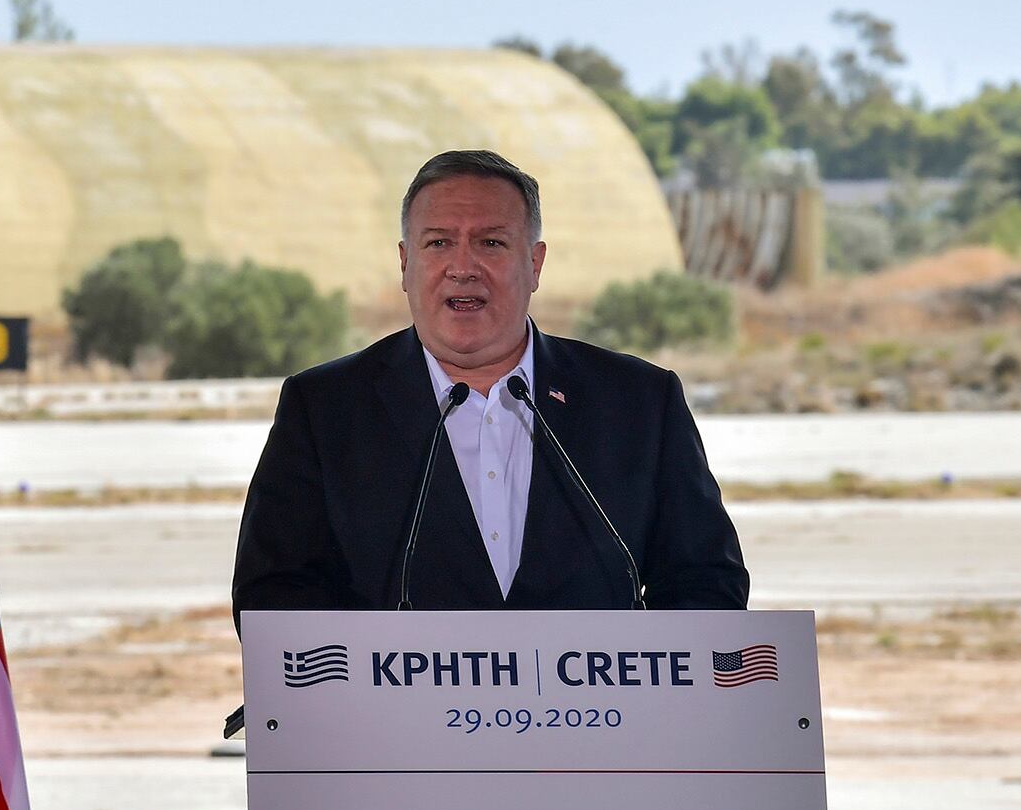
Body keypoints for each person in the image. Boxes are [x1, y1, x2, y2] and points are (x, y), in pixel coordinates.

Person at [233, 149, 749, 617]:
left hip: (597, 717)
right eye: (438, 243)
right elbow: (275, 594)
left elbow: (705, 582)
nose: (463, 267)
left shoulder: (638, 403)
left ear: (534, 262)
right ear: (406, 263)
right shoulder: (326, 410)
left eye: (491, 242)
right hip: (399, 719)